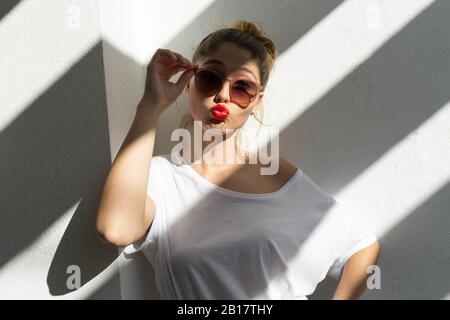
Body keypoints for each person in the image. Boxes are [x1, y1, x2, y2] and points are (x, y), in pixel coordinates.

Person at [96, 20, 380, 300]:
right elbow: (115, 229)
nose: (222, 95)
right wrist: (151, 104)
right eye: (210, 79)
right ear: (189, 84)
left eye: (242, 88)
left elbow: (361, 245)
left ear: (257, 101)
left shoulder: (275, 174)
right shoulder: (161, 177)